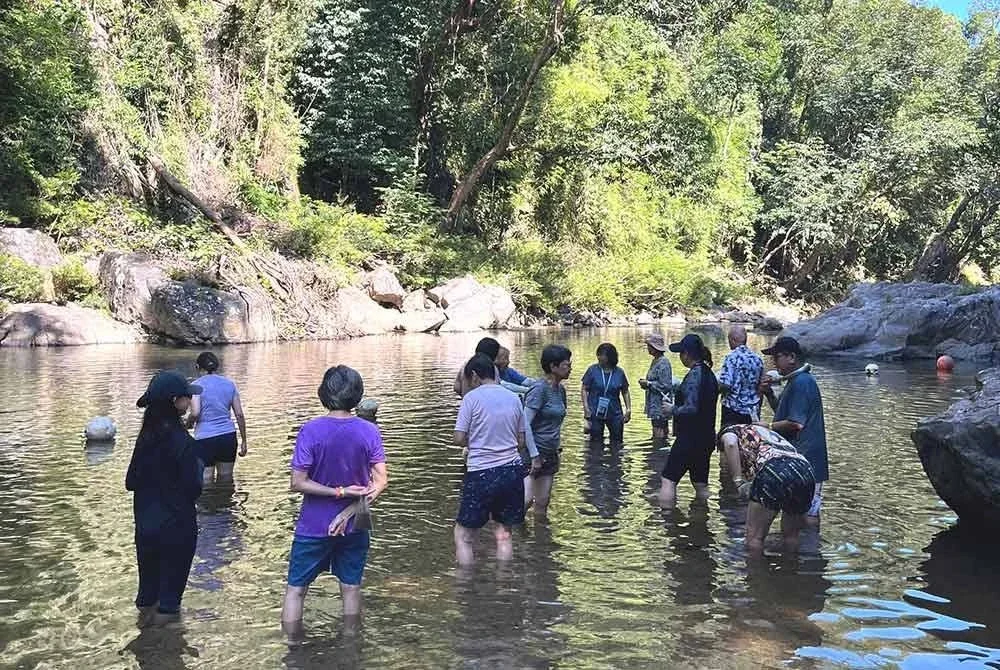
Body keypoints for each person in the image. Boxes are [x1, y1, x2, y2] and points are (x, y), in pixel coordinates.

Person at [281, 366, 389, 628]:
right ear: (357, 395)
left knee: (296, 590)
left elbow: (298, 483)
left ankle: (293, 652)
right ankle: (351, 648)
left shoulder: (311, 430)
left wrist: (337, 493)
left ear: (324, 394)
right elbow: (381, 481)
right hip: (358, 521)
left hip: (315, 523)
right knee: (351, 588)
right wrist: (350, 509)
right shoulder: (369, 431)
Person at [126, 370, 204, 623]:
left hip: (146, 527)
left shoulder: (145, 439)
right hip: (177, 528)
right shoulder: (184, 442)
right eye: (186, 397)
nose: (189, 401)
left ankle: (144, 644)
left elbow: (130, 482)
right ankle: (165, 650)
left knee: (147, 595)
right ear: (174, 402)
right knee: (170, 602)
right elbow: (195, 489)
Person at [453, 354, 541, 565]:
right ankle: (505, 585)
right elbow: (521, 441)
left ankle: (465, 589)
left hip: (481, 471)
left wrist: (478, 441)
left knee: (463, 535)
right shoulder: (513, 398)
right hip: (512, 471)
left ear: (474, 376)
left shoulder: (471, 399)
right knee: (504, 534)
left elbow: (459, 438)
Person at [760, 336, 828, 525]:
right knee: (796, 511)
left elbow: (796, 423)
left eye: (777, 357)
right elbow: (785, 415)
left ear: (791, 357)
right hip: (801, 459)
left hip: (809, 459)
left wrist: (768, 427)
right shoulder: (794, 380)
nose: (774, 362)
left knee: (809, 514)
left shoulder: (802, 383)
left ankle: (809, 550)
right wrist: (769, 394)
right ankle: (800, 549)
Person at [718, 424, 816, 553]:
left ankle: (756, 572)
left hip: (774, 468)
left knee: (754, 539)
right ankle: (791, 569)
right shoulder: (762, 431)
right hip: (805, 469)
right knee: (791, 536)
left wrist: (738, 482)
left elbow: (730, 443)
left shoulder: (731, 430)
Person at [657, 334, 719, 508]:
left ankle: (667, 521)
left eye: (680, 353)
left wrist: (672, 409)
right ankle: (702, 519)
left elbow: (692, 408)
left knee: (668, 479)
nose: (680, 357)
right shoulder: (710, 375)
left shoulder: (694, 375)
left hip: (689, 438)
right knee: (700, 484)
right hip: (706, 438)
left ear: (687, 354)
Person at [524, 344, 572, 519]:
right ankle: (508, 538)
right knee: (526, 500)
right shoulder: (539, 389)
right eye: (566, 365)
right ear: (553, 366)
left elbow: (556, 423)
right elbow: (524, 423)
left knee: (543, 502)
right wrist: (534, 455)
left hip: (550, 452)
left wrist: (557, 447)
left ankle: (539, 542)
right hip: (532, 454)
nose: (570, 368)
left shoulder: (561, 390)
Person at [187, 352, 247, 485]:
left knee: (206, 479)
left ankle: (208, 505)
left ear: (197, 367)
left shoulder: (195, 386)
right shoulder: (229, 384)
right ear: (217, 367)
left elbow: (195, 413)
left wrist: (188, 423)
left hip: (204, 438)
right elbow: (239, 414)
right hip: (227, 436)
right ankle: (226, 504)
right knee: (226, 479)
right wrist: (244, 440)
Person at [581, 343, 631, 444]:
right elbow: (584, 389)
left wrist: (628, 409)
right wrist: (586, 408)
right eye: (598, 354)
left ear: (610, 356)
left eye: (601, 354)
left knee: (617, 442)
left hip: (615, 412)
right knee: (595, 442)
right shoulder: (592, 370)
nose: (598, 357)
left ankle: (615, 459)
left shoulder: (619, 372)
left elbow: (625, 391)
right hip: (595, 412)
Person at [718, 326, 765, 427]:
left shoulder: (731, 358)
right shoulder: (758, 359)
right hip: (752, 410)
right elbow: (761, 387)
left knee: (728, 438)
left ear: (732, 339)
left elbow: (726, 384)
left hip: (732, 409)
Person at [638, 334, 673, 444]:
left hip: (660, 405)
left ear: (655, 347)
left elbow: (666, 385)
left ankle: (658, 453)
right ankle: (659, 451)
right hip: (655, 404)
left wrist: (648, 384)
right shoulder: (656, 360)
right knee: (657, 428)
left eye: (649, 346)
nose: (648, 348)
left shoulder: (663, 362)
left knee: (659, 431)